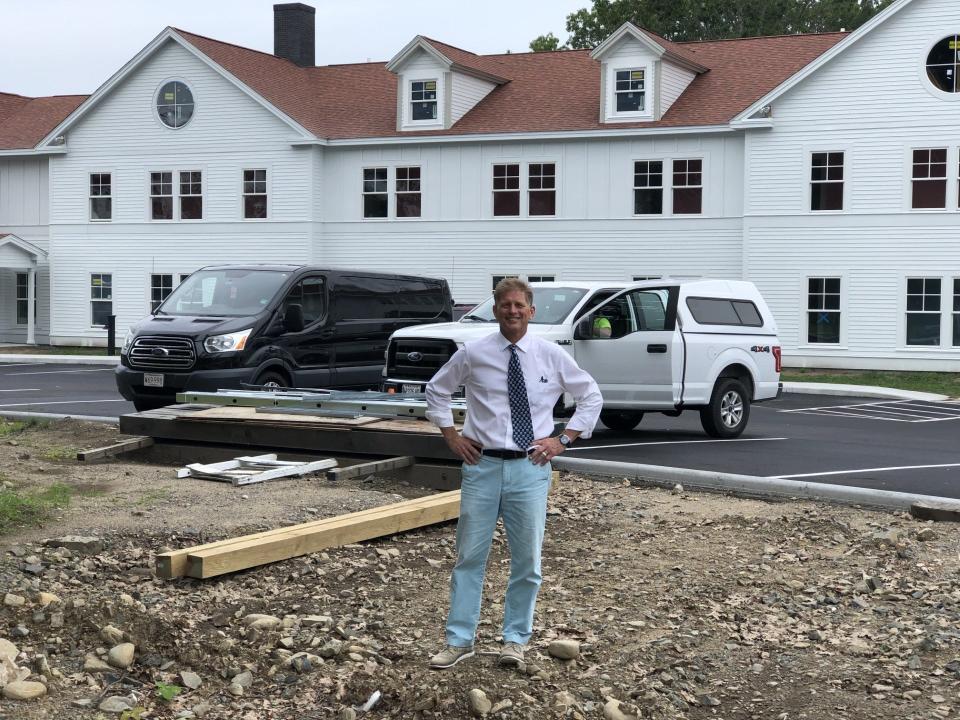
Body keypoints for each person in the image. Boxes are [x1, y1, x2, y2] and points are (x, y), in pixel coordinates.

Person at [425, 278, 603, 670]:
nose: (512, 311)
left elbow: (591, 395)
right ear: (495, 309)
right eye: (505, 305)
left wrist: (563, 439)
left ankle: (515, 640)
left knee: (527, 562)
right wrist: (451, 436)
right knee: (470, 556)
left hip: (530, 468)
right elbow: (436, 391)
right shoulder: (473, 353)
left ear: (531, 311)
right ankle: (459, 641)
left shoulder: (550, 355)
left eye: (519, 305)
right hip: (482, 466)